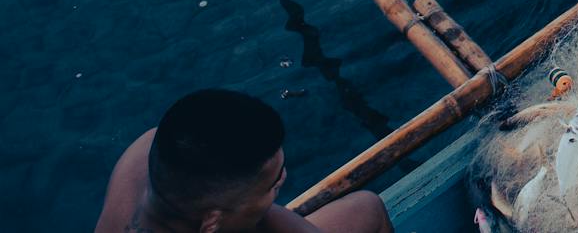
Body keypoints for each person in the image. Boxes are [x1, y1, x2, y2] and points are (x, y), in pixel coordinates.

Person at [95, 88, 391, 233]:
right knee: (369, 209)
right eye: (272, 185)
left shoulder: (147, 149)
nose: (283, 178)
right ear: (212, 220)